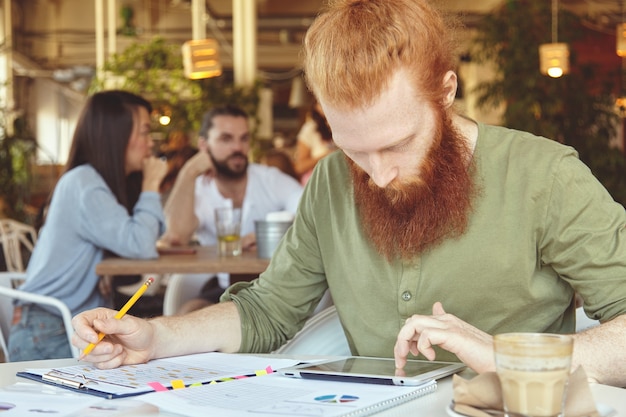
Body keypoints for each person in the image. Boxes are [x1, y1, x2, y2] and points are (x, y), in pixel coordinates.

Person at [72, 0, 626, 387]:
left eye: (400, 143)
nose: (378, 175)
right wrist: (154, 335)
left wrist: (509, 359)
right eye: (355, 149)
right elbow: (268, 311)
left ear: (446, 91)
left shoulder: (545, 177)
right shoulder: (333, 184)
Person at [9, 90, 167, 361]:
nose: (149, 143)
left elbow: (146, 237)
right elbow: (141, 245)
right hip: (50, 329)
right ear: (116, 136)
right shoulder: (85, 183)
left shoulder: (97, 183)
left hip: (68, 325)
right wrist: (151, 185)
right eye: (144, 132)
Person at [159, 105, 303, 313]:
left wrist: (268, 235)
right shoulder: (199, 189)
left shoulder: (269, 179)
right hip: (221, 286)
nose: (238, 147)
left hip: (274, 285)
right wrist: (189, 172)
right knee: (190, 311)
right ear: (204, 146)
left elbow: (310, 211)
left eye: (244, 139)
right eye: (226, 139)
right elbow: (176, 236)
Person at [293, 100, 336, 185]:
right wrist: (327, 155)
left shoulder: (343, 126)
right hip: (319, 183)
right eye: (321, 103)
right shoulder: (310, 129)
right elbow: (299, 167)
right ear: (316, 106)